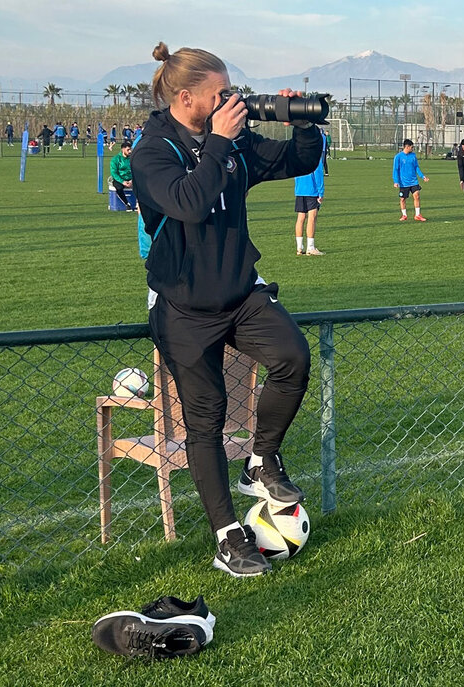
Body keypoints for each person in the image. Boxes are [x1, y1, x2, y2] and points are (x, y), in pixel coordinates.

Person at [130, 41, 322, 578]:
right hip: (182, 305)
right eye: (221, 94)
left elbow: (299, 161)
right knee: (207, 418)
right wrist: (218, 142)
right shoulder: (152, 151)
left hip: (238, 292)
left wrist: (303, 124)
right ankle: (228, 537)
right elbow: (188, 203)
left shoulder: (232, 140)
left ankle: (261, 461)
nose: (232, 101)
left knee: (292, 357)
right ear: (187, 99)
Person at [294, 128, 326, 256]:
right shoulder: (315, 156)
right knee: (312, 218)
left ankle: (299, 247)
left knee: (300, 218)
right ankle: (310, 248)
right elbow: (318, 176)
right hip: (311, 191)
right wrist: (321, 192)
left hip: (300, 190)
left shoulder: (299, 156)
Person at [391, 138, 428, 222]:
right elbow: (395, 170)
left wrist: (422, 176)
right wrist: (396, 181)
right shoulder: (398, 157)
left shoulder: (413, 156)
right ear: (407, 147)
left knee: (417, 196)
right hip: (404, 183)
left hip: (414, 181)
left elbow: (416, 167)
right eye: (412, 147)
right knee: (403, 199)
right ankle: (404, 215)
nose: (412, 149)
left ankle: (417, 215)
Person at [109, 140, 135, 211]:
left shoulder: (132, 159)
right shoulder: (115, 159)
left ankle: (139, 204)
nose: (130, 151)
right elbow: (114, 173)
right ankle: (127, 204)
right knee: (119, 188)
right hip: (120, 179)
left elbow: (136, 170)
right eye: (128, 150)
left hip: (131, 179)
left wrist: (132, 180)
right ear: (123, 149)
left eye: (130, 149)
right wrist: (122, 181)